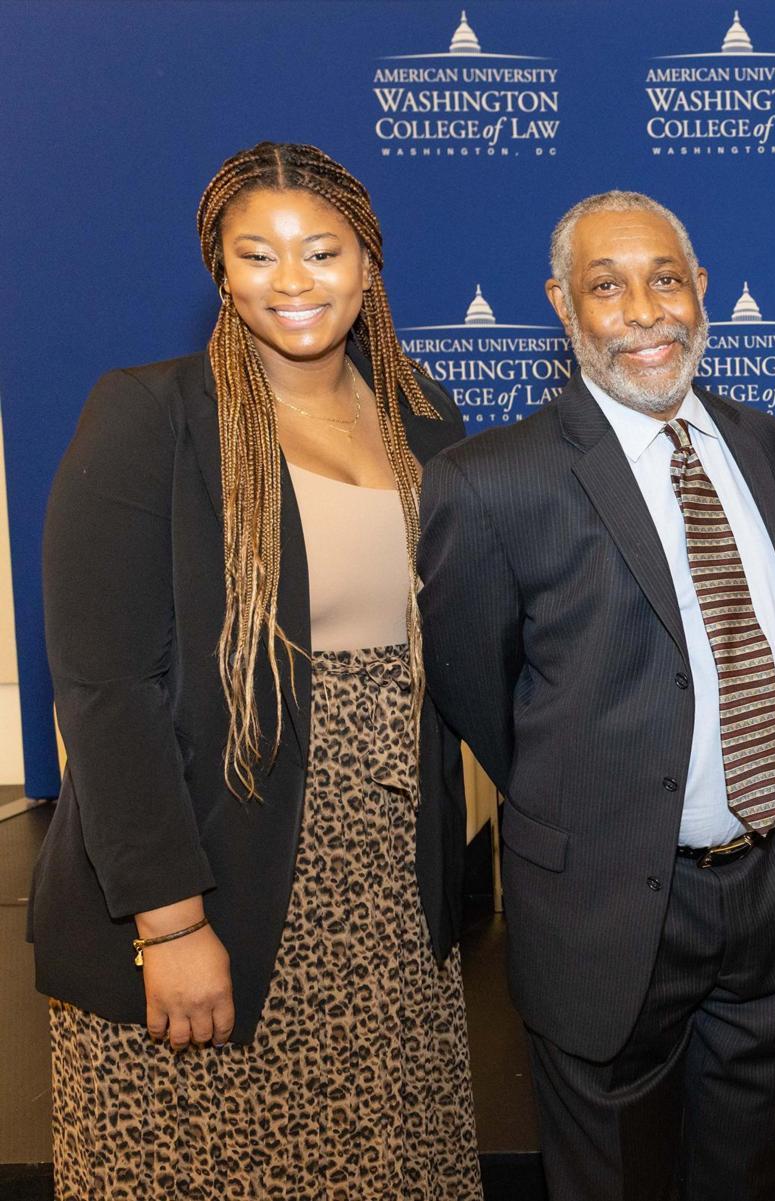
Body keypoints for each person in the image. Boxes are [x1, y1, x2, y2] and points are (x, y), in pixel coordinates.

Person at [29, 141, 479, 1199]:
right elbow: (103, 690)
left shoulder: (427, 421)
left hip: (384, 902)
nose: (292, 281)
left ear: (368, 265)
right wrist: (170, 921)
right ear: (220, 273)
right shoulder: (151, 416)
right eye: (258, 255)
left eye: (322, 252)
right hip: (216, 880)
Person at [417, 190, 775, 1201]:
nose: (645, 311)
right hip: (606, 906)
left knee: (748, 1175)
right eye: (606, 287)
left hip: (773, 885)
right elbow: (479, 697)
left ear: (702, 290)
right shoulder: (491, 481)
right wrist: (596, 802)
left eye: (666, 278)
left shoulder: (762, 439)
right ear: (561, 307)